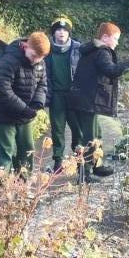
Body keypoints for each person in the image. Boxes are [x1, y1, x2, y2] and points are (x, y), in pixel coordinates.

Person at [69, 22, 129, 179]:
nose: (117, 43)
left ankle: (96, 165)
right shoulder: (102, 51)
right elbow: (111, 70)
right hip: (88, 101)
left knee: (96, 133)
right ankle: (85, 173)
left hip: (85, 100)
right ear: (105, 37)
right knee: (90, 138)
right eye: (116, 39)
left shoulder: (92, 50)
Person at [0, 31, 50, 173]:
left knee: (27, 152)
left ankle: (24, 183)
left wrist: (37, 104)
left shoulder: (40, 62)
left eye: (40, 58)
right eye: (33, 56)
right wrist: (24, 109)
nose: (35, 61)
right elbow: (2, 89)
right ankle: (4, 185)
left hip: (25, 116)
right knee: (5, 154)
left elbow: (42, 84)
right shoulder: (9, 61)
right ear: (26, 46)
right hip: (3, 115)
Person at [45, 17, 82, 172]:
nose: (61, 32)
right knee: (57, 129)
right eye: (58, 30)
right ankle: (58, 161)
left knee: (78, 129)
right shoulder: (47, 49)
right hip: (56, 96)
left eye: (65, 30)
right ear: (54, 33)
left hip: (74, 96)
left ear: (69, 33)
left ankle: (79, 160)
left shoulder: (78, 48)